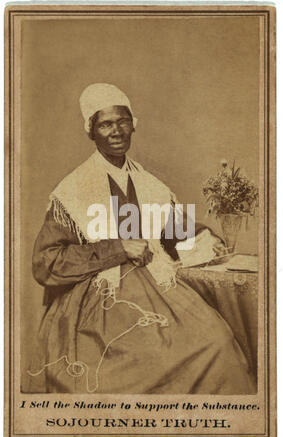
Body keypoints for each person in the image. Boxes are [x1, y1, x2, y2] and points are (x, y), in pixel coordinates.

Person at [28, 83, 256, 394]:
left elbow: (175, 230)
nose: (116, 131)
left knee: (216, 343)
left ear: (133, 125)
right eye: (105, 124)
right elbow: (46, 264)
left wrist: (205, 237)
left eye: (123, 121)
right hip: (98, 301)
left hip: (159, 287)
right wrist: (117, 248)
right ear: (90, 131)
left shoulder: (150, 185)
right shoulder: (72, 191)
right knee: (131, 368)